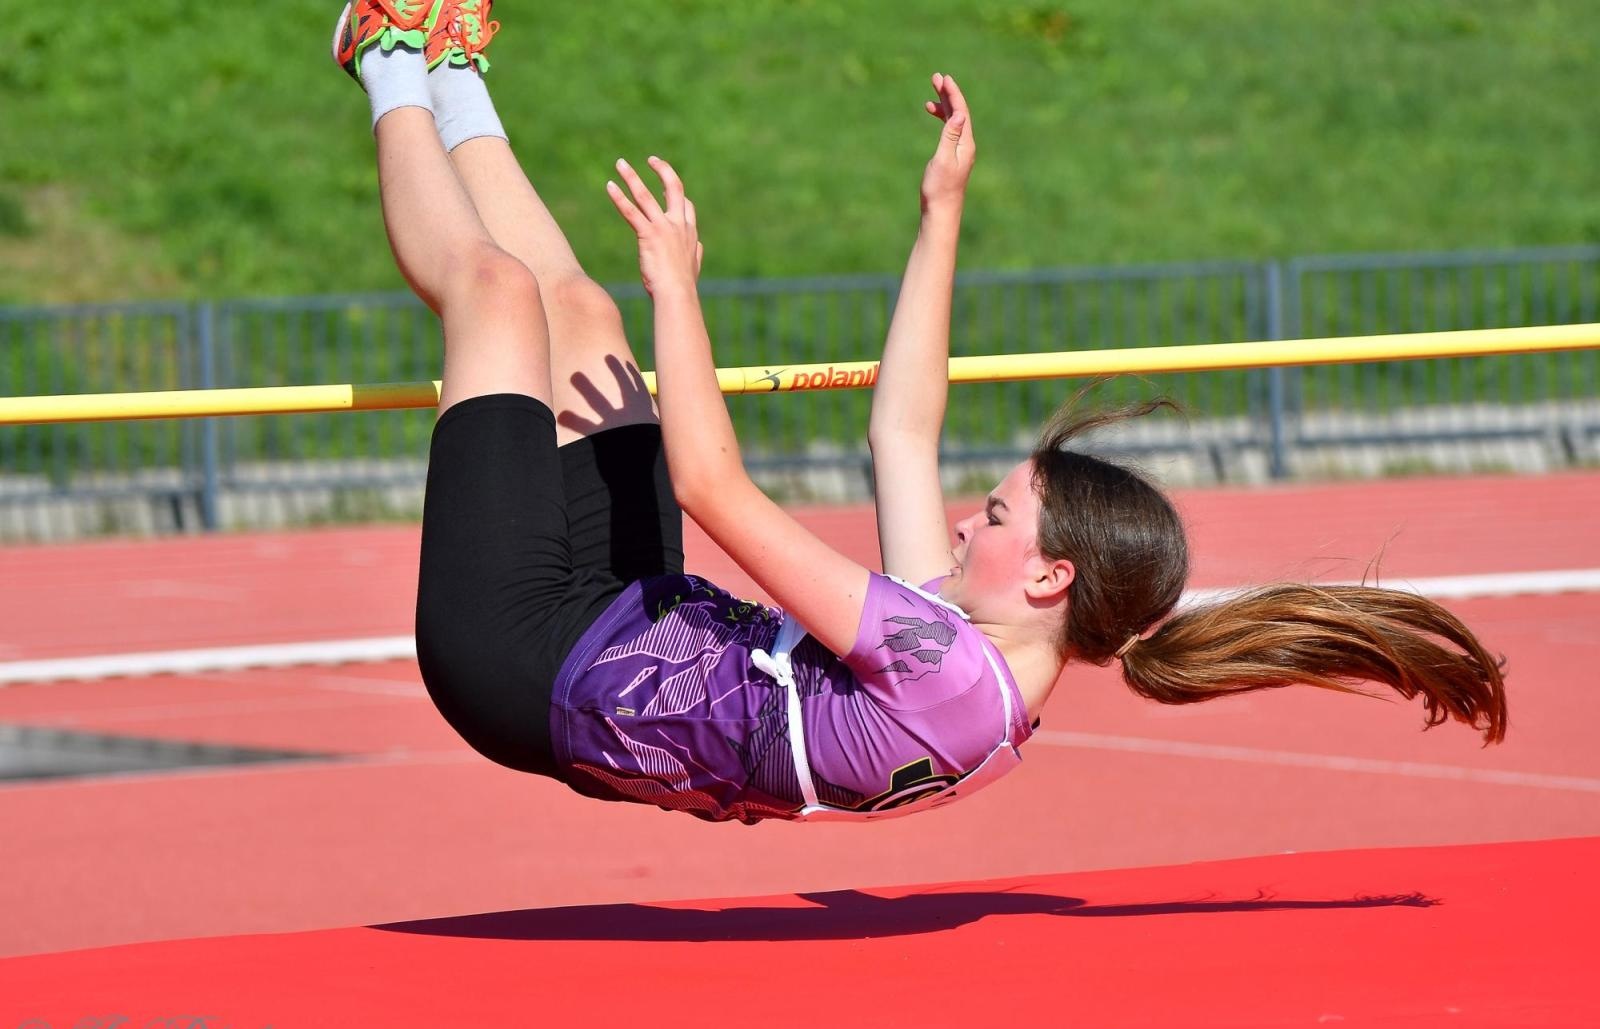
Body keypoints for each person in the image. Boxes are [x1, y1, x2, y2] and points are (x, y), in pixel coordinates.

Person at [336, 1, 1507, 825]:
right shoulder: (973, 667)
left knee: (493, 296)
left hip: (525, 663)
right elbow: (902, 429)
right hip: (631, 621)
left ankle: (382, 49)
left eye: (995, 515)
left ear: (1048, 576)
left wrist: (681, 291)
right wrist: (940, 208)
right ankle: (451, 65)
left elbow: (712, 487)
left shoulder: (940, 664)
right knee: (579, 312)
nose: (963, 526)